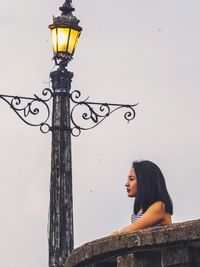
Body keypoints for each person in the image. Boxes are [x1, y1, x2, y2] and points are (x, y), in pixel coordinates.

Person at [112, 160, 173, 235]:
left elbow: (129, 231)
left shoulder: (160, 206)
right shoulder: (138, 211)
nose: (126, 184)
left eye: (131, 179)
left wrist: (118, 233)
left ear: (144, 181)